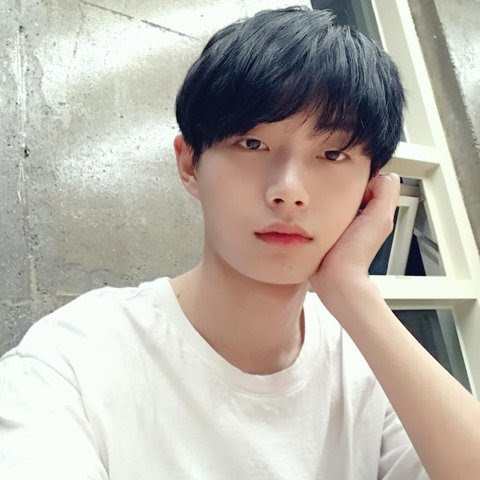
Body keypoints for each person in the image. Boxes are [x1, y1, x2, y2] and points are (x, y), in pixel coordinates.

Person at [1, 6, 479, 480]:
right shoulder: (74, 360)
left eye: (332, 154)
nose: (288, 190)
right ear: (190, 163)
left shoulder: (370, 363)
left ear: (371, 189)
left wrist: (353, 292)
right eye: (252, 144)